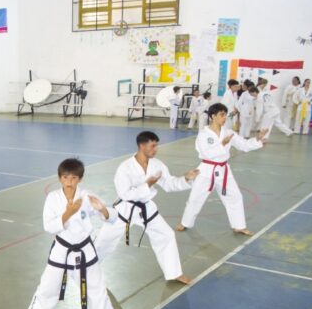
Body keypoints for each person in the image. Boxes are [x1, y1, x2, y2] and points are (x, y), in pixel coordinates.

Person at [14, 158, 133, 309]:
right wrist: (68, 213)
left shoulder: (87, 196)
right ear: (60, 178)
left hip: (84, 251)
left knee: (97, 292)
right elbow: (48, 226)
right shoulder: (53, 198)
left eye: (74, 177)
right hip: (61, 250)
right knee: (47, 289)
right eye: (65, 177)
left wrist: (102, 209)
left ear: (80, 179)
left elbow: (112, 218)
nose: (69, 181)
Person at [94, 131, 198, 284]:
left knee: (166, 235)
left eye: (157, 145)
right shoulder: (125, 167)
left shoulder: (157, 165)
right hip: (125, 210)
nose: (156, 149)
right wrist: (147, 185)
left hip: (146, 209)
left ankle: (174, 273)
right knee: (104, 240)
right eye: (153, 146)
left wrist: (186, 179)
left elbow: (169, 185)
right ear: (141, 146)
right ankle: (86, 268)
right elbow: (124, 194)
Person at [176, 103, 266, 236]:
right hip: (206, 170)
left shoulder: (228, 133)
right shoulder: (203, 134)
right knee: (195, 198)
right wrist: (222, 144)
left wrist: (257, 140)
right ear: (213, 116)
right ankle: (185, 223)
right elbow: (206, 153)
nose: (224, 118)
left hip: (224, 170)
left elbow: (244, 145)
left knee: (235, 197)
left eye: (225, 115)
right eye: (221, 115)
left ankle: (239, 226)